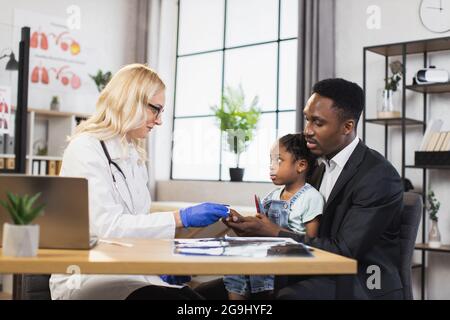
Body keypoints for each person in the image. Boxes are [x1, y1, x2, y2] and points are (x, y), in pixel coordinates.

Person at [198, 78, 404, 300]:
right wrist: (254, 229)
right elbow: (299, 228)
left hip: (361, 281)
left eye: (318, 123)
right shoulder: (315, 167)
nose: (307, 131)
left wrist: (274, 232)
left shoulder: (378, 176)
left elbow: (345, 252)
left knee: (285, 297)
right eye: (307, 120)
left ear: (348, 126)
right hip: (311, 270)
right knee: (205, 293)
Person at [49, 64, 229, 300]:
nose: (159, 120)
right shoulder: (86, 148)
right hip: (89, 278)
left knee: (227, 290)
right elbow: (107, 228)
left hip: (132, 274)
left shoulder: (133, 155)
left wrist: (162, 265)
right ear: (130, 100)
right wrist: (179, 218)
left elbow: (137, 227)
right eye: (156, 109)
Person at [223, 133, 323, 300]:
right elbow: (259, 227)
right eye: (271, 161)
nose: (271, 166)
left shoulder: (311, 197)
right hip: (267, 251)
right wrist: (240, 222)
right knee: (233, 256)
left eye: (278, 160)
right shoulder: (271, 196)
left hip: (289, 258)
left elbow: (311, 241)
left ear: (301, 165)